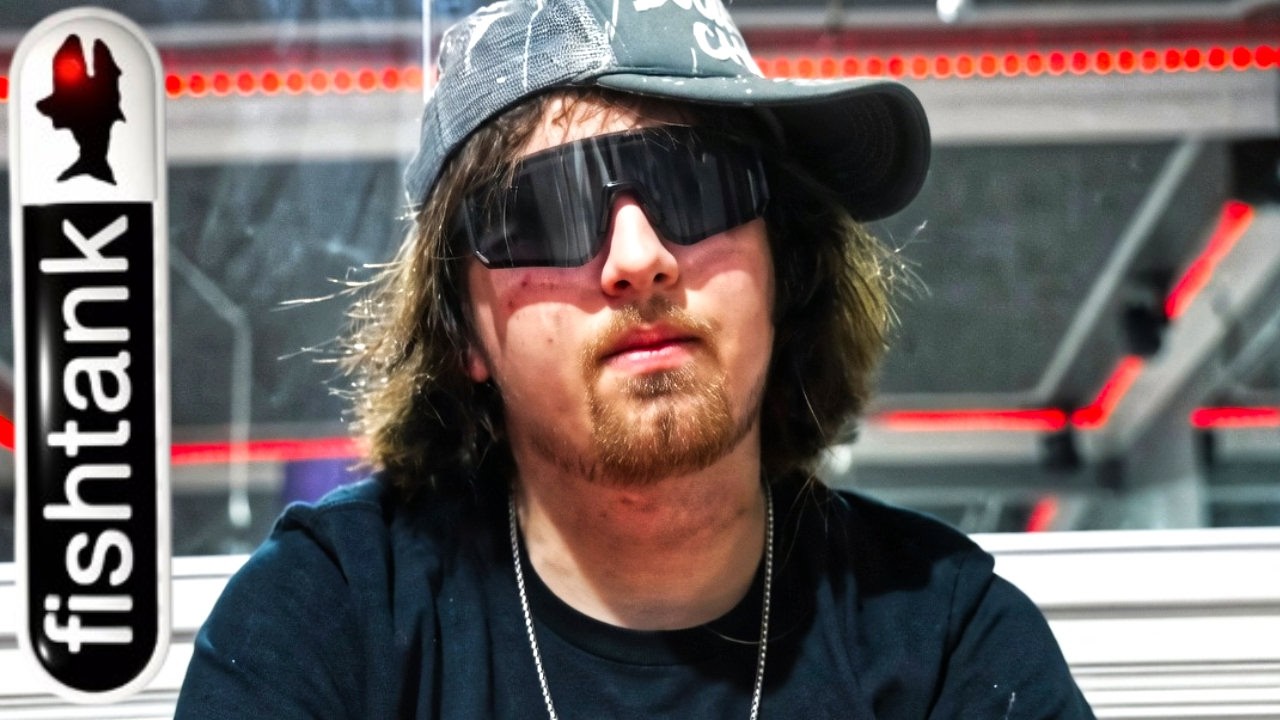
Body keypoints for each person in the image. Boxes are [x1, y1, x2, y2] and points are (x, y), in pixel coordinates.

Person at [176, 0, 1095, 717]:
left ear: (787, 266)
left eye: (695, 183)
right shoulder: (331, 622)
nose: (638, 258)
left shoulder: (944, 641)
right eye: (547, 211)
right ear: (461, 332)